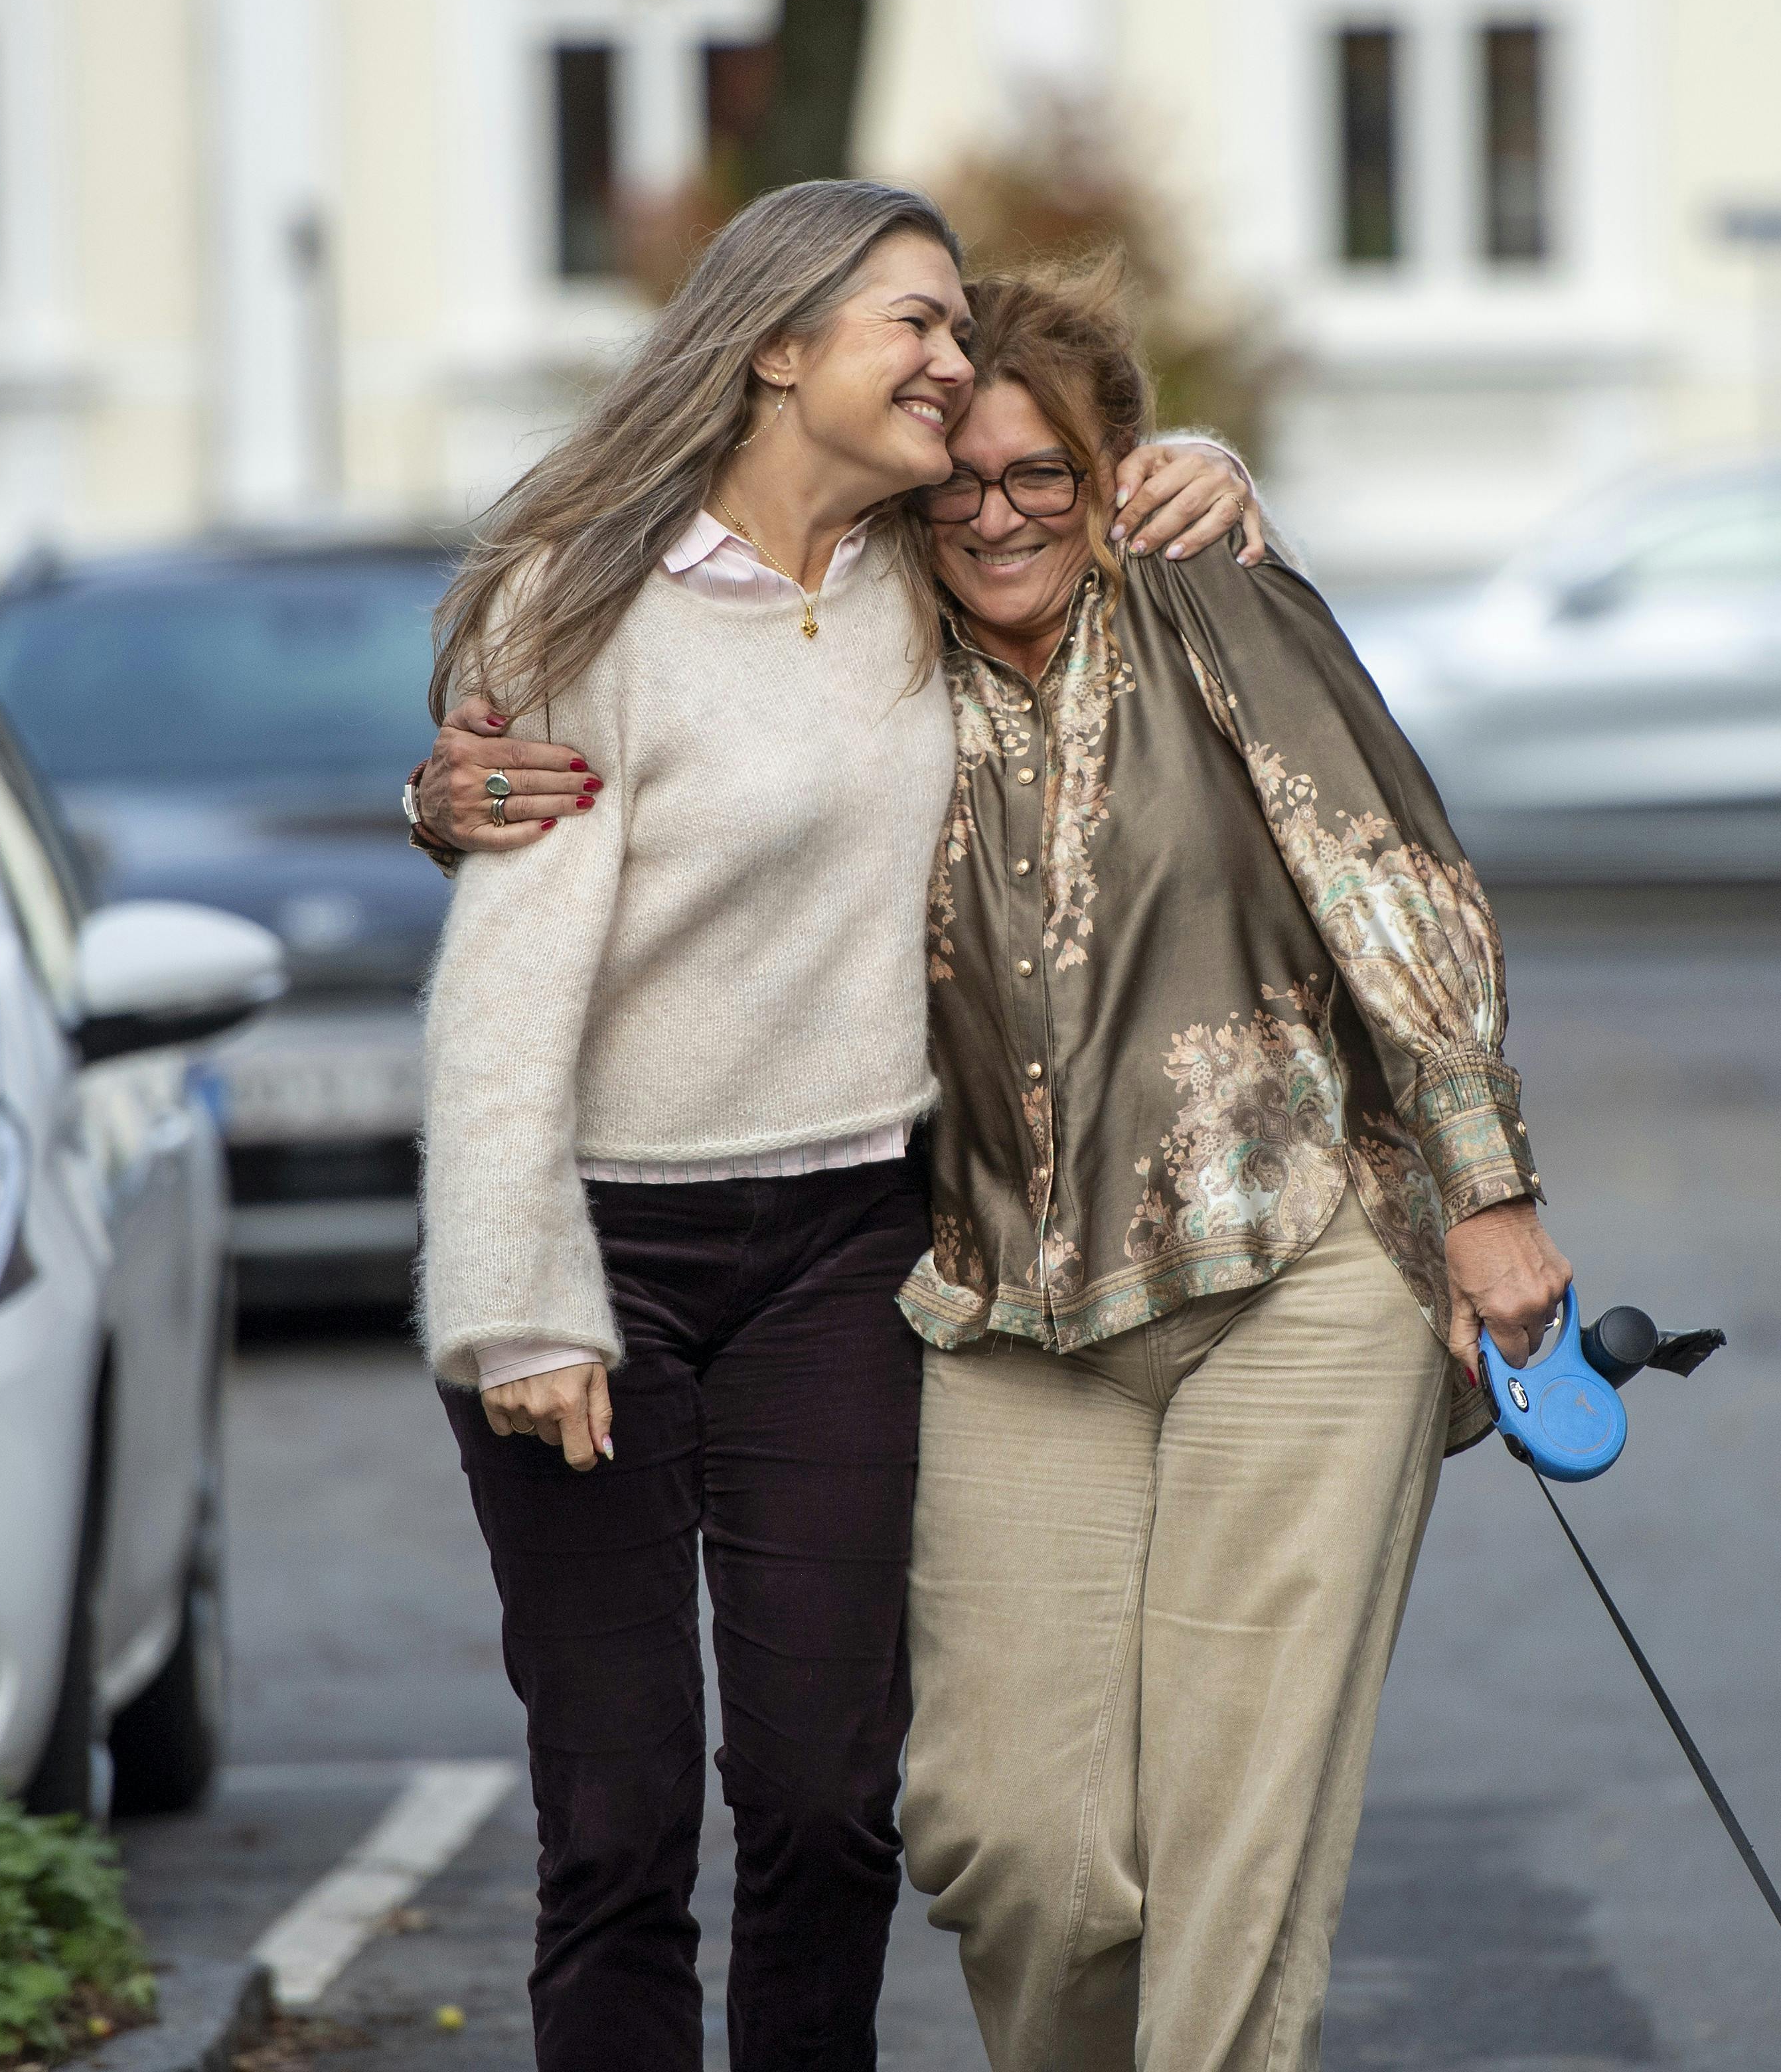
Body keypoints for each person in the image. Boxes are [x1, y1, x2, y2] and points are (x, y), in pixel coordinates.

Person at [420, 263, 1570, 2070]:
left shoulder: (1205, 595)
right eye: (963, 482)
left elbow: (1388, 883)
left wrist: (1488, 1196)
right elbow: (648, 748)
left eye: (1052, 475)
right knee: (1007, 1839)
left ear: (1114, 477)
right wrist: (444, 798)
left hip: (1297, 1265)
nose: (1004, 512)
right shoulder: (872, 635)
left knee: (1229, 1828)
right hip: (999, 1294)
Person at [410, 185, 1257, 2072]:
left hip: (846, 1249)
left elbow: (1081, 519)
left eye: (961, 334)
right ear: (778, 344)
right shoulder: (583, 596)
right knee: (618, 1826)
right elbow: (506, 976)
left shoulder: (917, 579)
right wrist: (517, 1296)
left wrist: (1191, 460)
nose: (953, 368)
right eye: (917, 327)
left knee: (821, 1803)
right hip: (598, 1264)